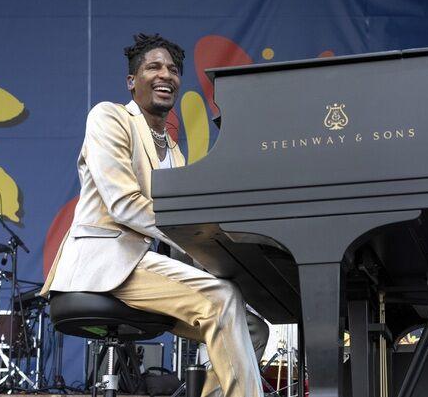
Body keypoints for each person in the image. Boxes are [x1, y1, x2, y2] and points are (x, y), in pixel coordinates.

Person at [41, 33, 266, 397]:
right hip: (108, 262)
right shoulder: (109, 118)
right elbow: (124, 204)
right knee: (222, 298)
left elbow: (183, 225)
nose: (167, 75)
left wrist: (226, 255)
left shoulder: (174, 152)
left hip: (146, 269)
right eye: (154, 67)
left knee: (256, 330)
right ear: (132, 81)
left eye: (174, 70)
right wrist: (196, 237)